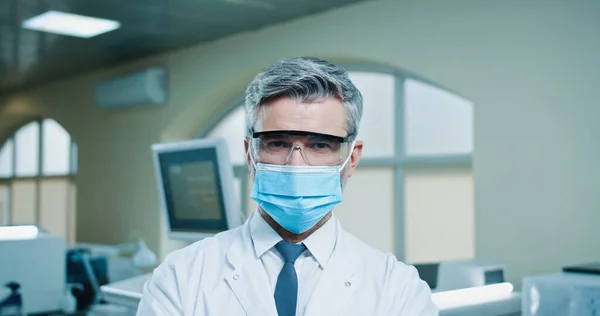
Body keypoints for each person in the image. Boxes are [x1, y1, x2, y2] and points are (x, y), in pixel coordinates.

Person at [137, 57, 439, 315]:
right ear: (250, 153)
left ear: (351, 158)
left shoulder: (397, 289)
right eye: (278, 143)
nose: (296, 165)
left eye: (320, 145)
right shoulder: (182, 275)